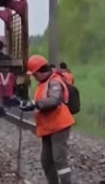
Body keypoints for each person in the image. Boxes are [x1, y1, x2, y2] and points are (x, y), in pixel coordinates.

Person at [20, 54, 74, 184]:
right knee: (46, 161)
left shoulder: (54, 82)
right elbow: (42, 101)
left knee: (59, 159)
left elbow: (54, 100)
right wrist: (30, 104)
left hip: (59, 125)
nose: (33, 76)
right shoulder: (43, 83)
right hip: (48, 126)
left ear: (41, 71)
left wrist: (35, 104)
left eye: (34, 74)